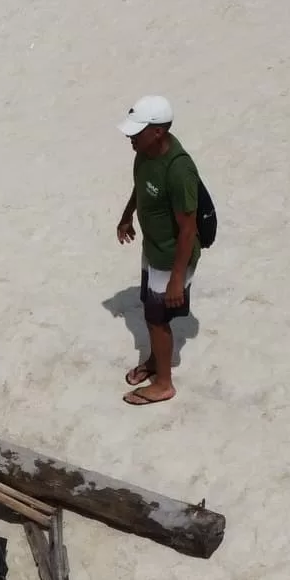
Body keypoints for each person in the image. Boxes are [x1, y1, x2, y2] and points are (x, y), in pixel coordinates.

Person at [114, 96, 203, 407]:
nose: (130, 138)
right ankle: (155, 360)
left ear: (158, 132)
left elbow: (189, 228)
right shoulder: (145, 154)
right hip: (152, 248)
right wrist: (127, 215)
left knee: (156, 318)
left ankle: (163, 384)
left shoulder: (179, 171)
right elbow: (140, 187)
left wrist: (177, 277)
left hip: (170, 256)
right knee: (150, 307)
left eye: (136, 133)